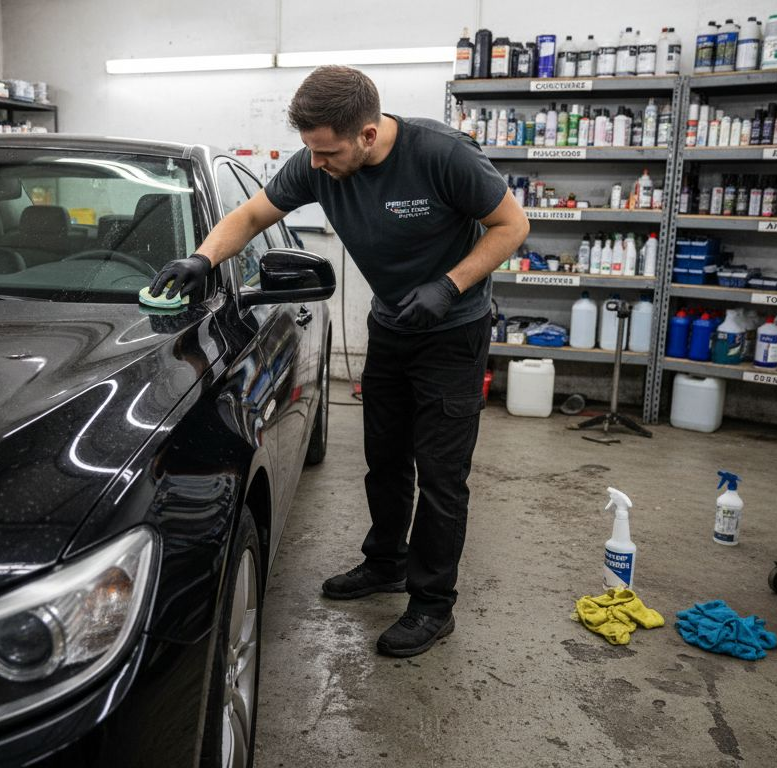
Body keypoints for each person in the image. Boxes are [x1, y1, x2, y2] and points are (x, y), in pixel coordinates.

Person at [149, 65, 529, 658]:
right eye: (311, 150)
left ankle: (433, 606)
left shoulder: (443, 155)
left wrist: (449, 286)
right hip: (392, 327)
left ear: (368, 135)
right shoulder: (315, 162)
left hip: (453, 332)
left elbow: (512, 225)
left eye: (327, 152)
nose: (316, 164)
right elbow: (251, 216)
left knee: (441, 474)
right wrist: (202, 258)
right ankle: (386, 562)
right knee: (385, 458)